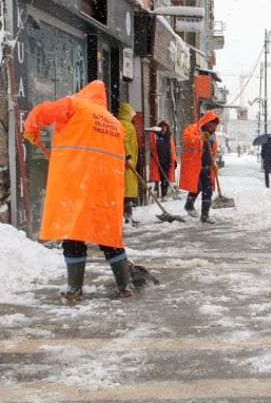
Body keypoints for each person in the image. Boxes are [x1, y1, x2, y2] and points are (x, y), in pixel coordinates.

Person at [23, 80, 134, 303]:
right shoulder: (114, 123)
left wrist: (31, 127)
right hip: (106, 189)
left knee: (73, 235)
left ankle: (74, 289)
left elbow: (44, 112)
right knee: (109, 237)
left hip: (76, 184)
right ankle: (125, 285)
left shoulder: (75, 105)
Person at [180, 111, 219, 223]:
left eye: (215, 125)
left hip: (207, 166)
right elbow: (187, 139)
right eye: (211, 123)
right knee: (196, 187)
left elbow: (212, 152)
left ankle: (205, 216)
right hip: (195, 165)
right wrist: (200, 138)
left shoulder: (213, 135)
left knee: (207, 190)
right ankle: (189, 205)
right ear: (206, 122)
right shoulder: (193, 129)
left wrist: (214, 164)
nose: (213, 126)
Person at [117, 102, 139, 226]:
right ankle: (127, 218)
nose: (132, 116)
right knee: (127, 193)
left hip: (128, 164)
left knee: (128, 192)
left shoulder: (126, 124)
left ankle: (128, 217)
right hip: (126, 164)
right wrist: (128, 156)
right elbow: (123, 142)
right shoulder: (125, 124)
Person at [149, 120, 177, 198]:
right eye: (161, 127)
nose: (163, 129)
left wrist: (174, 160)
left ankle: (164, 195)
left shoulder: (169, 138)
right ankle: (159, 193)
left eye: (165, 127)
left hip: (167, 161)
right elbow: (151, 146)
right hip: (157, 160)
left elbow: (173, 150)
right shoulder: (155, 137)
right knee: (158, 178)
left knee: (165, 179)